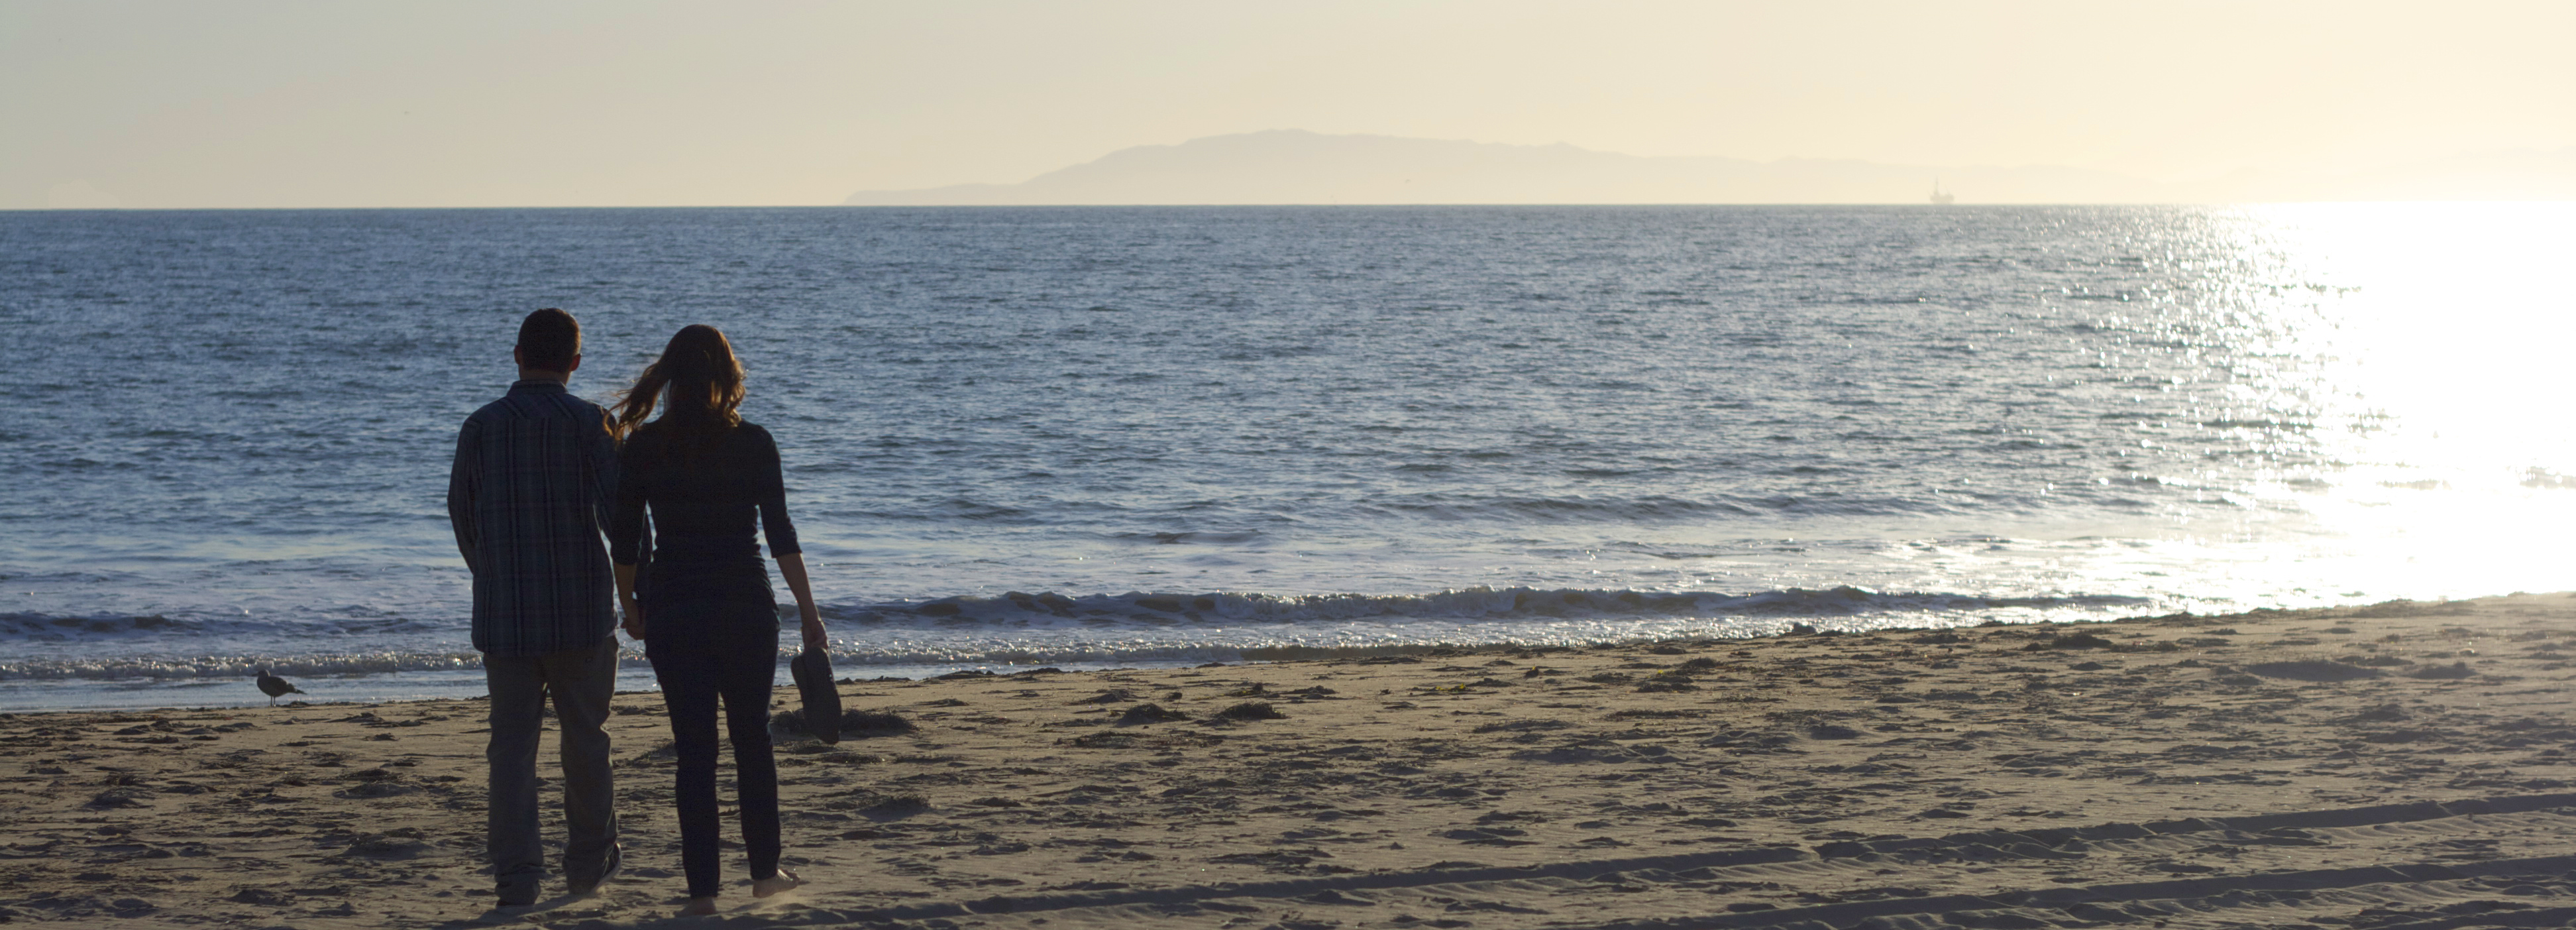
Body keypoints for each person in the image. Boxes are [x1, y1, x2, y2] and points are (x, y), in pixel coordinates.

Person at [607, 324, 826, 915]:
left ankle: (702, 893)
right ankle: (764, 873)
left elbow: (624, 543)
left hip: (676, 608)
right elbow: (781, 536)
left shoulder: (646, 446)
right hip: (745, 606)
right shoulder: (753, 442)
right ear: (728, 376)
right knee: (752, 739)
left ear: (671, 376)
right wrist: (809, 612)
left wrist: (631, 608)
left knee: (694, 751)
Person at [447, 308, 624, 906]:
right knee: (587, 741)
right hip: (581, 613)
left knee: (511, 753)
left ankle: (518, 877)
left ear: (517, 355)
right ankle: (588, 861)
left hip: (507, 618)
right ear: (576, 362)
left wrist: (491, 574)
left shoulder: (481, 426)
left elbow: (462, 516)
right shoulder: (592, 423)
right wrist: (637, 593)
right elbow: (621, 520)